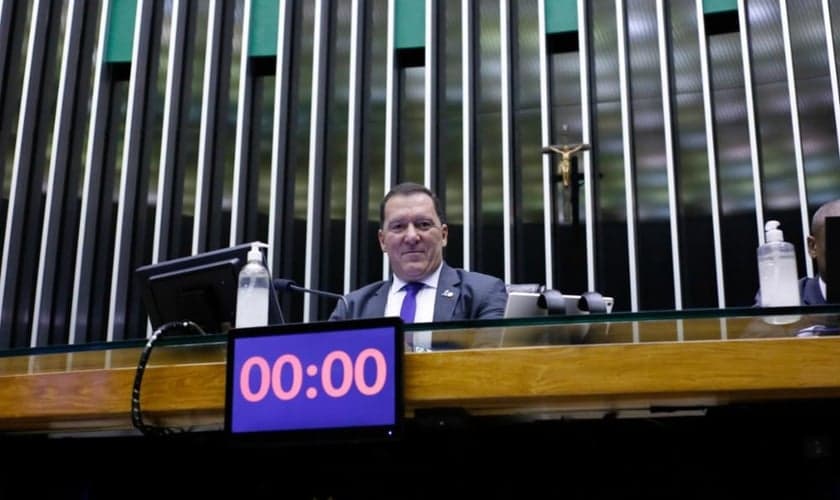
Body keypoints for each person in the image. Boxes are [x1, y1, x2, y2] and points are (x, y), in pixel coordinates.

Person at [329, 182, 508, 323]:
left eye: (423, 225)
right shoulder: (352, 308)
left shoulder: (483, 294)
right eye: (398, 227)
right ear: (382, 241)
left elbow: (493, 362)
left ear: (444, 235)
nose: (412, 236)